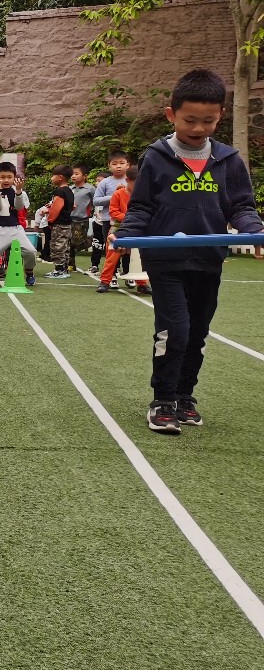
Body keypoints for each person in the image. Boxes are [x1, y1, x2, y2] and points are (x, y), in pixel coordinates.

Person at [113, 68, 263, 434]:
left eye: (207, 121)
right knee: (175, 330)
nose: (198, 128)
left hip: (208, 260)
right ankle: (163, 399)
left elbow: (241, 206)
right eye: (190, 120)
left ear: (220, 116)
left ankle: (184, 396)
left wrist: (255, 231)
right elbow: (142, 206)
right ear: (171, 114)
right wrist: (125, 235)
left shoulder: (229, 160)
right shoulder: (156, 157)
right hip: (166, 261)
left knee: (197, 333)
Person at [95, 166, 147, 295]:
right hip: (118, 228)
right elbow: (113, 212)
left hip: (138, 229)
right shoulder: (118, 194)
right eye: (136, 183)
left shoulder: (144, 195)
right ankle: (105, 281)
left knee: (140, 257)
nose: (139, 187)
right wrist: (130, 218)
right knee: (112, 256)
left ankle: (142, 283)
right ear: (128, 180)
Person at [91, 151, 130, 275]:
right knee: (111, 247)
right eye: (114, 163)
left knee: (129, 247)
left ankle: (128, 272)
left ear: (128, 165)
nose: (118, 166)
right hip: (109, 220)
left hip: (129, 219)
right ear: (109, 166)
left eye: (122, 163)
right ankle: (112, 275)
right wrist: (115, 195)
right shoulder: (105, 182)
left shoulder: (133, 181)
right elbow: (96, 201)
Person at [44, 164, 74, 278]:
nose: (51, 178)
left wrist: (50, 220)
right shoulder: (69, 191)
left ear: (60, 177)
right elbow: (72, 206)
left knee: (57, 246)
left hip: (59, 224)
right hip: (67, 224)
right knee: (65, 246)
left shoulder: (59, 192)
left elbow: (56, 208)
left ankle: (59, 270)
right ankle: (64, 269)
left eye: (53, 175)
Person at [68, 164, 95, 270]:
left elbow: (95, 202)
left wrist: (93, 212)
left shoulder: (90, 189)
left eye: (76, 174)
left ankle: (91, 241)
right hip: (69, 218)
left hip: (82, 219)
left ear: (85, 176)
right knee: (69, 241)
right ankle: (71, 264)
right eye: (72, 174)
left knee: (78, 241)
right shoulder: (69, 188)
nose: (73, 176)